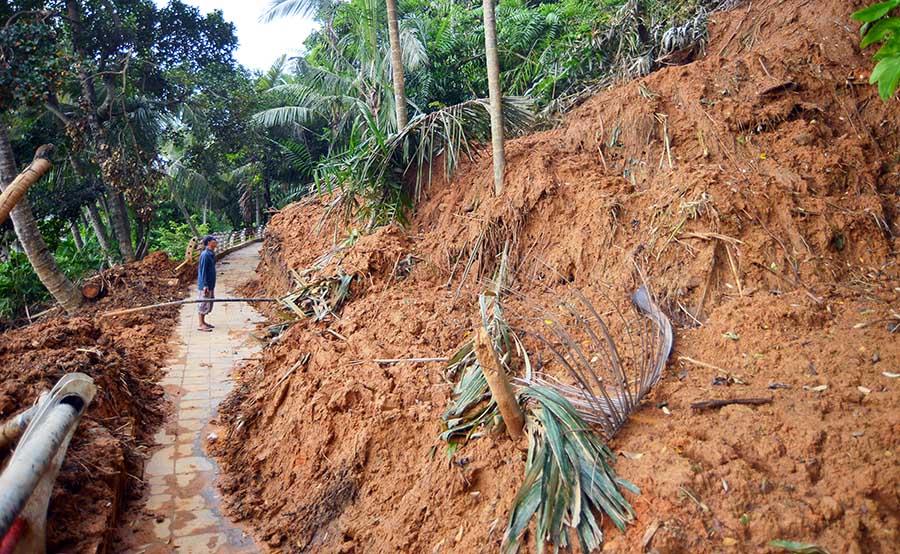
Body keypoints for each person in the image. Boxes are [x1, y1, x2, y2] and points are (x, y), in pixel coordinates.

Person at [197, 235, 217, 332]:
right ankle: (201, 324)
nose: (216, 242)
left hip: (210, 283)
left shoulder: (211, 253)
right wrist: (205, 285)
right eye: (214, 240)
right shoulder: (205, 255)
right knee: (203, 303)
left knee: (208, 303)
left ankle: (204, 322)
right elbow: (203, 271)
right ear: (209, 242)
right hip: (205, 285)